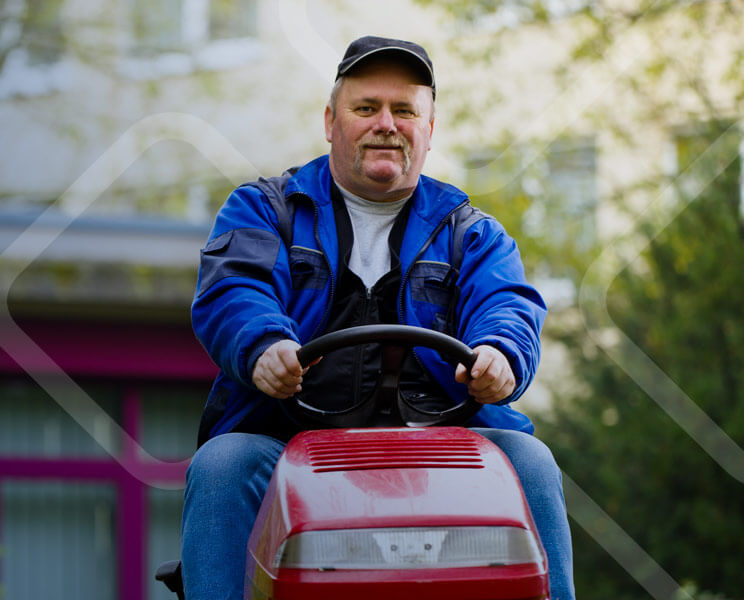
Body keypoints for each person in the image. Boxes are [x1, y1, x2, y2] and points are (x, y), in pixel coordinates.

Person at [183, 36, 574, 599]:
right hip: (288, 437)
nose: (385, 124)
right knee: (223, 464)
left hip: (445, 442)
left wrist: (500, 353)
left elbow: (507, 303)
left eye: (405, 111)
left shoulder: (471, 232)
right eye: (366, 108)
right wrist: (264, 344)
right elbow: (234, 288)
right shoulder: (267, 209)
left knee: (528, 462)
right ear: (330, 121)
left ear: (429, 128)